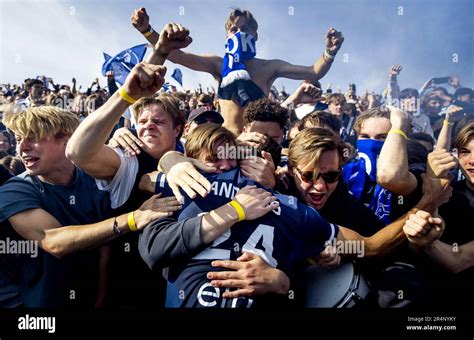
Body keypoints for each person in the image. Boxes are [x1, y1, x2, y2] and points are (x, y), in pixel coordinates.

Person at [0, 106, 180, 307]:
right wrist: (133, 218)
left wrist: (100, 300)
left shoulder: (95, 179)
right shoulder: (16, 190)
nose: (22, 148)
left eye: (32, 137)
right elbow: (54, 241)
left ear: (67, 140)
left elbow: (105, 247)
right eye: (17, 140)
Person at [131, 7, 344, 135]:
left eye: (246, 29)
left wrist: (330, 52)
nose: (240, 33)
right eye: (234, 29)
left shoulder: (269, 66)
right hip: (226, 140)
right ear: (227, 36)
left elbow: (313, 72)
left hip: (259, 143)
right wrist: (147, 31)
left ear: (256, 35)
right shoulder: (218, 64)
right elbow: (178, 56)